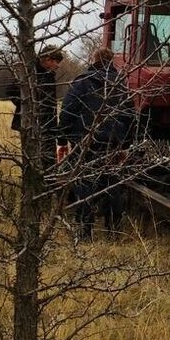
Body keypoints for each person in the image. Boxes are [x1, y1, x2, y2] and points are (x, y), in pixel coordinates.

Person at [60, 47, 133, 238]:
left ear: (94, 60)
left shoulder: (83, 81)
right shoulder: (121, 83)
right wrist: (125, 144)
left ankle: (85, 230)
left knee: (84, 184)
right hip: (113, 142)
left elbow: (68, 111)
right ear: (111, 61)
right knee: (112, 184)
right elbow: (130, 115)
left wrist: (63, 139)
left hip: (85, 141)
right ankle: (113, 229)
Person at [8, 45, 65, 164]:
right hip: (32, 126)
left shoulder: (48, 75)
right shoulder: (29, 73)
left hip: (48, 126)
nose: (58, 65)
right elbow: (11, 91)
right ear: (48, 60)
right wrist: (29, 106)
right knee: (35, 161)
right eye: (56, 62)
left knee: (47, 161)